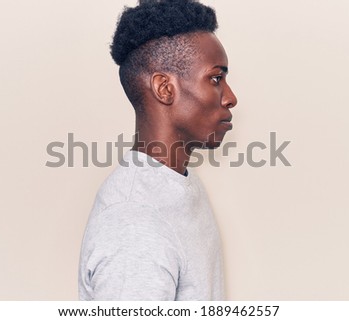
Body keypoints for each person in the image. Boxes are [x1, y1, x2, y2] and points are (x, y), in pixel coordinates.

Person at [79, 0, 237, 300]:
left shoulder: (178, 182)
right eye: (216, 79)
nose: (230, 98)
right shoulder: (133, 227)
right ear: (165, 89)